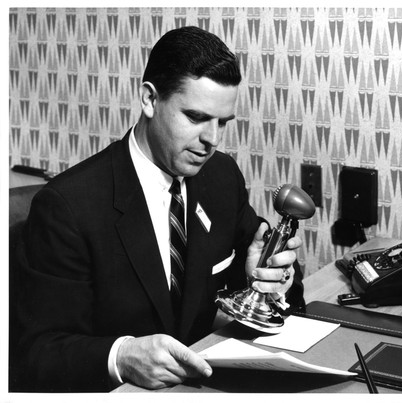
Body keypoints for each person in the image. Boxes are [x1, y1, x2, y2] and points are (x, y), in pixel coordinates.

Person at [13, 26, 305, 392]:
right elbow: (35, 354)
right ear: (149, 99)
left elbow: (281, 293)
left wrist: (267, 279)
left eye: (222, 123)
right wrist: (121, 356)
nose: (211, 140)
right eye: (196, 117)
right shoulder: (68, 207)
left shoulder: (221, 177)